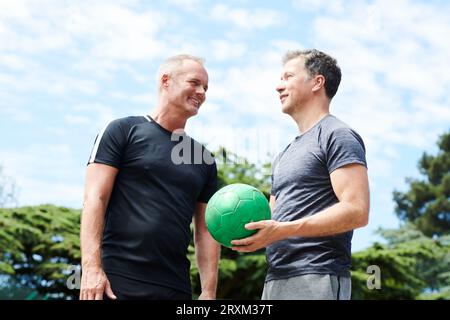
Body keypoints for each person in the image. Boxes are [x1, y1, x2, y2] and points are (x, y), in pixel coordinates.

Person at [231, 49, 370, 300]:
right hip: (275, 278)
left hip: (317, 275)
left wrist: (283, 229)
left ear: (317, 82)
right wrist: (245, 231)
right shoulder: (284, 154)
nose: (278, 86)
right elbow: (273, 220)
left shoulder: (337, 135)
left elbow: (357, 211)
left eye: (288, 77)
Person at [79, 54, 220, 300]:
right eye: (195, 83)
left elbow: (206, 230)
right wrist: (91, 269)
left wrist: (208, 291)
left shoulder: (203, 158)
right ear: (166, 81)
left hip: (175, 287)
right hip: (117, 282)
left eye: (206, 88)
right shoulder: (122, 130)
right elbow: (94, 199)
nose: (202, 92)